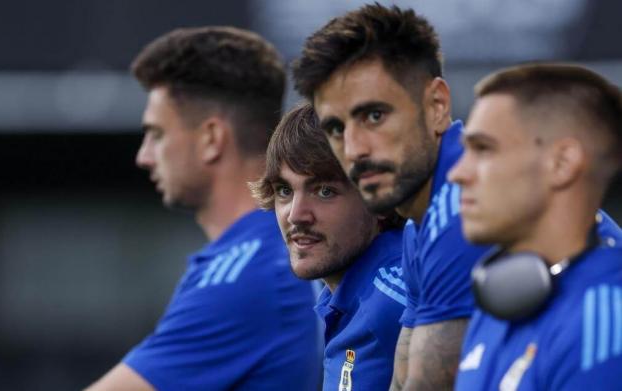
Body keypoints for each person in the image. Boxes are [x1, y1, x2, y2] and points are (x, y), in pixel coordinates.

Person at [86, 26, 321, 391]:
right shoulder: (279, 253)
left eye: (157, 134)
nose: (143, 156)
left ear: (212, 138)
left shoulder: (243, 278)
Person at [292, 5, 489, 389]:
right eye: (336, 127)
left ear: (436, 106)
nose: (353, 148)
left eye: (374, 116)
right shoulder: (423, 224)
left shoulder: (464, 207)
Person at [450, 63, 622, 390]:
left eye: (483, 149)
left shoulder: (607, 321)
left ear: (562, 163)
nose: (457, 173)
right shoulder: (499, 302)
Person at [251, 103, 408, 390]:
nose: (296, 214)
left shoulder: (391, 302)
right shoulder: (352, 296)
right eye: (284, 191)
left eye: (325, 191)